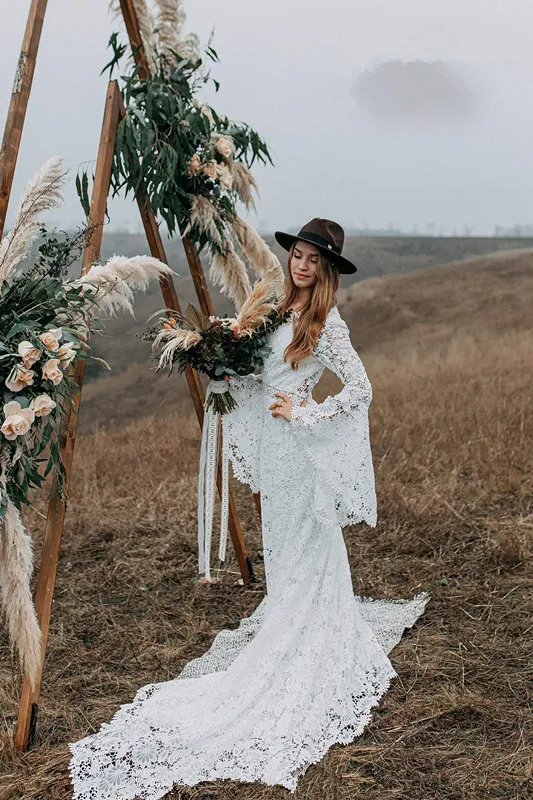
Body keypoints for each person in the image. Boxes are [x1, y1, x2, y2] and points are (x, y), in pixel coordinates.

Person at [69, 218, 429, 799]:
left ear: (329, 269)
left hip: (300, 450)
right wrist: (221, 358)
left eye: (314, 259)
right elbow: (259, 379)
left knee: (311, 544)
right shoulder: (276, 311)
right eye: (299, 255)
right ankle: (291, 608)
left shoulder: (326, 322)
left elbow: (360, 388)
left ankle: (311, 626)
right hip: (278, 459)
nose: (302, 265)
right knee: (283, 548)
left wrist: (306, 413)